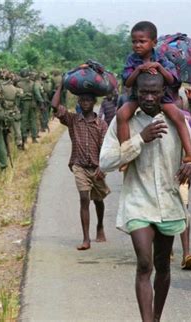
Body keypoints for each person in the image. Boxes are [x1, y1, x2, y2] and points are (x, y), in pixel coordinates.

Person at [100, 72, 191, 322]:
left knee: (163, 265)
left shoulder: (176, 120)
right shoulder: (124, 121)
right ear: (135, 91)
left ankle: (156, 316)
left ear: (163, 92)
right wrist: (140, 139)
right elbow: (105, 161)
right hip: (138, 201)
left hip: (168, 203)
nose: (149, 97)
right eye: (143, 92)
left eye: (154, 92)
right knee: (145, 263)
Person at [116, 21, 191, 171]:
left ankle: (189, 153)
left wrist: (159, 67)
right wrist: (139, 70)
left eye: (142, 41)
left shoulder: (161, 58)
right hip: (138, 97)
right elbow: (128, 83)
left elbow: (172, 80)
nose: (137, 45)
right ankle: (125, 155)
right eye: (134, 42)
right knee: (122, 114)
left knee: (179, 117)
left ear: (153, 42)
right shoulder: (132, 59)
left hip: (162, 98)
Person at [51, 79, 110, 251]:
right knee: (84, 199)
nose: (85, 103)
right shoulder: (73, 120)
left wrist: (103, 167)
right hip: (79, 166)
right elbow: (55, 107)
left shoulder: (101, 124)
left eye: (88, 100)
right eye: (82, 100)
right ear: (78, 102)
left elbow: (106, 148)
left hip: (97, 168)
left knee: (98, 200)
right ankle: (86, 239)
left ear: (94, 102)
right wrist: (61, 85)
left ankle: (100, 225)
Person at [171, 82, 191, 270]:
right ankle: (167, 248)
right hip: (164, 170)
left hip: (182, 170)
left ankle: (186, 252)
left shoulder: (186, 118)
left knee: (183, 210)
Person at [0, 68, 24, 150]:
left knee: (3, 131)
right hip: (14, 111)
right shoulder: (15, 88)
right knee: (17, 129)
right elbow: (21, 94)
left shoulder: (0, 87)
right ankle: (19, 144)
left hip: (4, 111)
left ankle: (4, 147)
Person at [16, 68, 38, 144]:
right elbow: (36, 94)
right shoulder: (32, 83)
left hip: (24, 104)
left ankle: (24, 138)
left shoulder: (19, 84)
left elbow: (18, 96)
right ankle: (34, 138)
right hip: (32, 102)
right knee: (33, 120)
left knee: (24, 121)